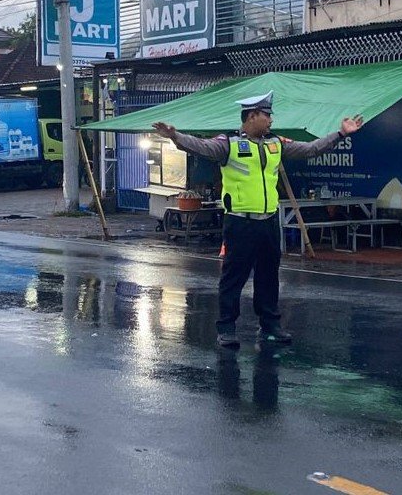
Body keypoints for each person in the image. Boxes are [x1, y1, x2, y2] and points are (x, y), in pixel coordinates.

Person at [152, 91, 363, 347]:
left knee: (269, 276)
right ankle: (226, 328)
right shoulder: (228, 143)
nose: (271, 120)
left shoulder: (276, 143)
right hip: (241, 222)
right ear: (252, 116)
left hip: (269, 221)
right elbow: (202, 147)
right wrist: (175, 136)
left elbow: (310, 150)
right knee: (234, 277)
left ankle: (270, 326)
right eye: (267, 115)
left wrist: (340, 134)